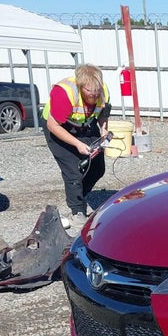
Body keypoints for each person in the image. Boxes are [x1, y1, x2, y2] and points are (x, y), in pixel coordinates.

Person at [41, 64, 111, 229]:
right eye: (89, 92)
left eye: (96, 92)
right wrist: (77, 144)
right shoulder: (64, 93)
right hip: (59, 127)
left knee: (97, 167)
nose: (94, 95)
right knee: (73, 170)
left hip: (84, 123)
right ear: (81, 87)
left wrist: (104, 131)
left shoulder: (103, 90)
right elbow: (53, 125)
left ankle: (80, 194)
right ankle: (77, 211)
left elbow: (103, 113)